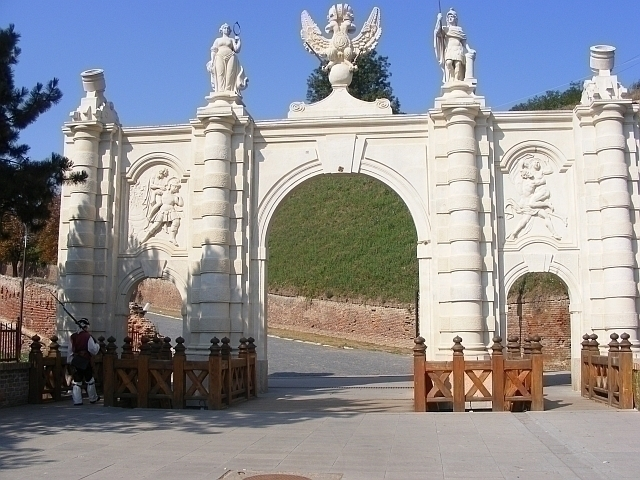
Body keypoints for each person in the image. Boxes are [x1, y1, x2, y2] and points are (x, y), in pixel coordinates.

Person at [433, 8, 474, 83]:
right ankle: (451, 77)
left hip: (458, 49)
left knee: (458, 64)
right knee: (448, 63)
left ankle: (457, 79)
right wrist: (438, 20)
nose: (450, 18)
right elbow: (437, 32)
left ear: (455, 18)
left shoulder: (459, 29)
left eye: (452, 16)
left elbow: (464, 42)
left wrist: (469, 49)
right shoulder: (445, 29)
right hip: (449, 49)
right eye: (448, 17)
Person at [207, 23, 248, 95]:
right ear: (221, 30)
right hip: (219, 56)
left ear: (229, 31)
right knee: (220, 73)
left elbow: (236, 50)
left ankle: (228, 90)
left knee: (230, 74)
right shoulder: (217, 40)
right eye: (225, 28)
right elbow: (213, 50)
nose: (226, 30)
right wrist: (212, 61)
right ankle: (220, 91)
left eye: (228, 28)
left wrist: (239, 41)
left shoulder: (231, 40)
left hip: (231, 56)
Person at [67, 318, 100, 405]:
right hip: (85, 360)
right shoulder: (87, 336)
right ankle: (93, 398)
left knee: (77, 381)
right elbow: (93, 350)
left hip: (76, 360)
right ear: (85, 327)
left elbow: (70, 351)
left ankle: (77, 401)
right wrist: (97, 346)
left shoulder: (72, 337)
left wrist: (70, 361)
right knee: (89, 379)